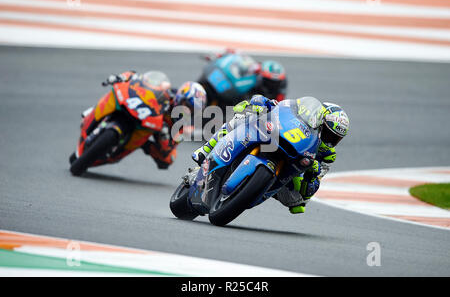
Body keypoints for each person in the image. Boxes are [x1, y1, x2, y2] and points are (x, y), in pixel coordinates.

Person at [191, 95, 349, 214]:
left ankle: (252, 191)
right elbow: (282, 107)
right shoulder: (303, 115)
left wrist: (312, 174)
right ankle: (206, 149)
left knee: (300, 203)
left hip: (292, 172)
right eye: (328, 134)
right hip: (278, 136)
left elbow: (309, 192)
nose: (329, 141)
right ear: (319, 122)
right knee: (244, 116)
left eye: (335, 139)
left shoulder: (327, 155)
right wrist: (263, 102)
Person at [100, 70, 207, 169]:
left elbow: (169, 148)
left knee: (168, 159)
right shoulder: (165, 91)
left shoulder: (182, 125)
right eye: (187, 105)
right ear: (180, 96)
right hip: (141, 110)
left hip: (153, 129)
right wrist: (124, 77)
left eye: (192, 110)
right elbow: (140, 79)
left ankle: (139, 144)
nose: (187, 110)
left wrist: (164, 136)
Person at [204, 48, 287, 102]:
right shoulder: (255, 69)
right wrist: (220, 56)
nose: (271, 84)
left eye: (274, 82)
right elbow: (239, 56)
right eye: (269, 81)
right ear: (261, 75)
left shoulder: (280, 92)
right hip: (235, 90)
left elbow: (276, 108)